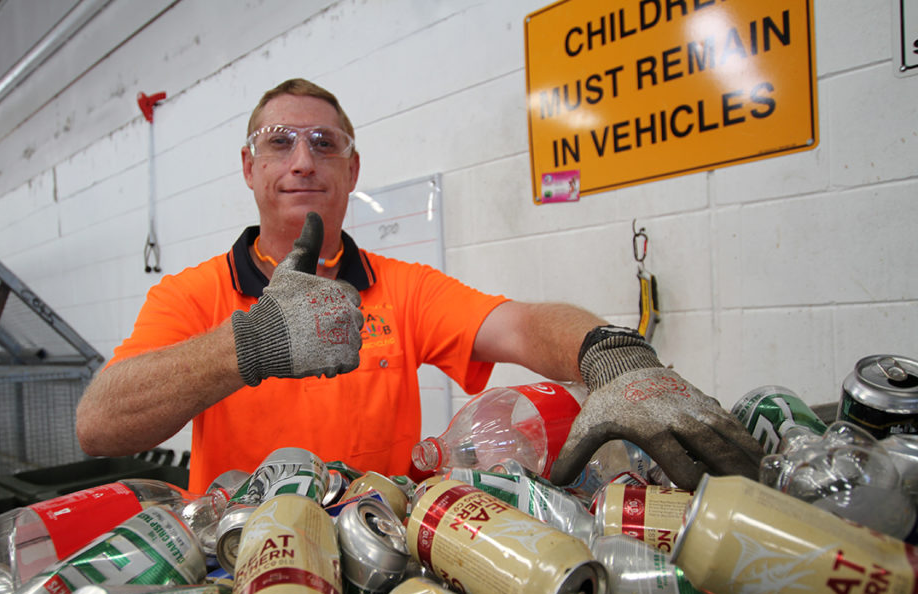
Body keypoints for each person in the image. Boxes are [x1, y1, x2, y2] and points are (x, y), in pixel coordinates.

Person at [76, 78, 763, 494]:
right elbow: (97, 424)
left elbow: (520, 325)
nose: (303, 160)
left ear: (352, 169)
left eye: (325, 143)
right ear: (249, 167)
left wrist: (610, 353)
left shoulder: (401, 290)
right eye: (279, 141)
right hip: (246, 564)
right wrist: (248, 345)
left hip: (388, 559)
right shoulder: (190, 296)